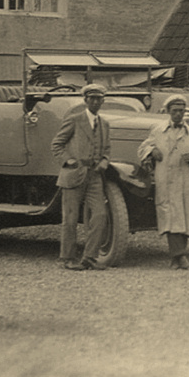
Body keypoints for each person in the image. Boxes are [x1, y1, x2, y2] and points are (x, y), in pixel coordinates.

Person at [138, 94, 189, 269]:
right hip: (166, 180)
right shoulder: (158, 131)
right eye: (175, 111)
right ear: (168, 111)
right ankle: (179, 256)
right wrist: (152, 151)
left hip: (185, 180)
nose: (178, 114)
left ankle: (177, 257)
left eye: (181, 111)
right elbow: (143, 147)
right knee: (170, 217)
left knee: (184, 217)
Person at [51, 82, 111, 271]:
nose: (95, 102)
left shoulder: (105, 124)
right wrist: (68, 160)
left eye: (99, 99)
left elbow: (107, 150)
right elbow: (57, 144)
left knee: (100, 215)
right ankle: (67, 258)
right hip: (73, 175)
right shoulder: (74, 120)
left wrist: (104, 161)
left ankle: (90, 258)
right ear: (85, 100)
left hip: (94, 176)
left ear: (103, 101)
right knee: (70, 218)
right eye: (92, 98)